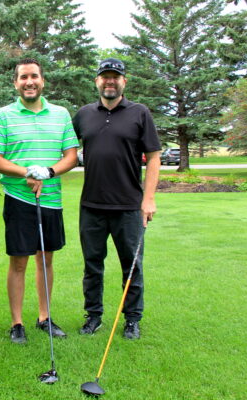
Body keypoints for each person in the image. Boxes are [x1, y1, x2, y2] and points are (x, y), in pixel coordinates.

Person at [0, 58, 79, 344]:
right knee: (19, 262)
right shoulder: (4, 115)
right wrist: (26, 172)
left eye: (34, 76)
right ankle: (17, 323)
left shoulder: (61, 114)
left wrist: (48, 172)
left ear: (43, 81)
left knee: (46, 259)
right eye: (24, 77)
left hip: (50, 199)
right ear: (16, 83)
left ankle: (44, 317)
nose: (29, 82)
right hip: (19, 199)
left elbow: (71, 156)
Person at [72, 58, 161, 340]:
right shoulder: (84, 115)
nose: (109, 81)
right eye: (105, 76)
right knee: (92, 265)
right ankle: (93, 316)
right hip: (91, 205)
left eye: (115, 77)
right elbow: (66, 150)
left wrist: (148, 199)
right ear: (97, 81)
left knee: (132, 266)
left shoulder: (139, 113)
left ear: (124, 81)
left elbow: (154, 157)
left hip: (129, 206)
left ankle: (132, 319)